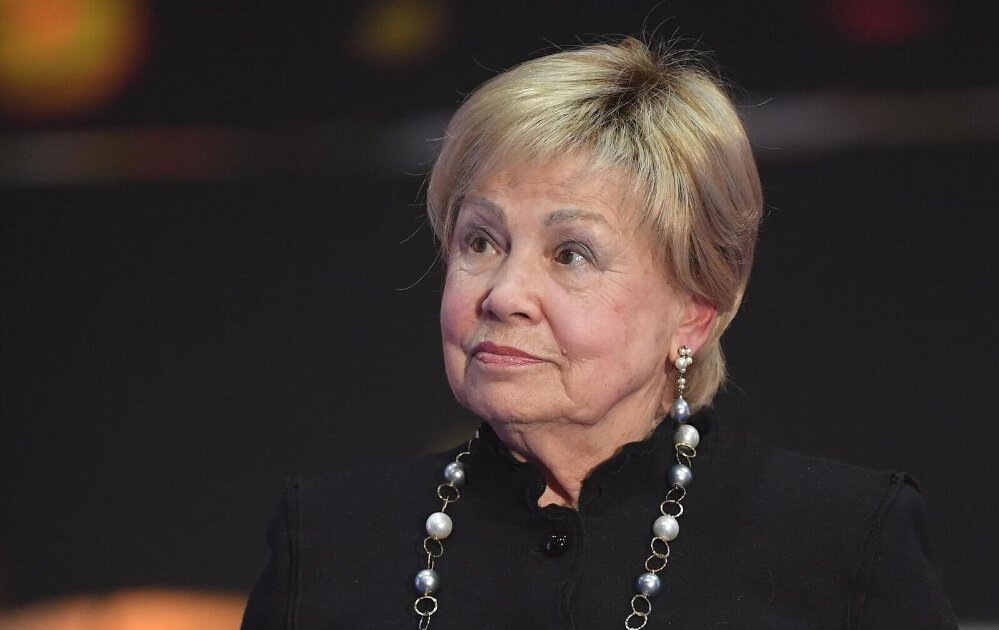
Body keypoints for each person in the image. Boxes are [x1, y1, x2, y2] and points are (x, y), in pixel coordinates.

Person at [241, 37, 957, 629]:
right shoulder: (327, 540)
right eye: (481, 241)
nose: (503, 295)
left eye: (571, 254)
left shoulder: (843, 544)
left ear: (695, 311)